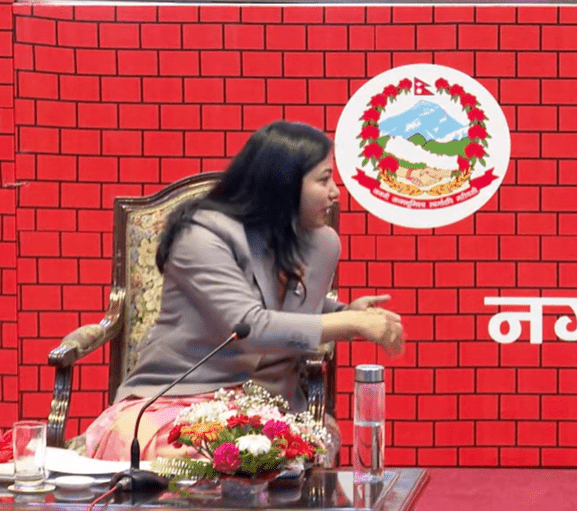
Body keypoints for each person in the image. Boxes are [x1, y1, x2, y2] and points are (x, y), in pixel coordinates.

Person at [84, 120, 405, 461]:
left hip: (274, 406)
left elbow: (284, 306)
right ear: (283, 183)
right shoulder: (201, 236)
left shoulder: (321, 243)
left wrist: (345, 312)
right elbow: (250, 326)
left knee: (264, 449)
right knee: (210, 452)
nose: (335, 192)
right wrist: (352, 323)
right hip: (182, 396)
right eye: (324, 179)